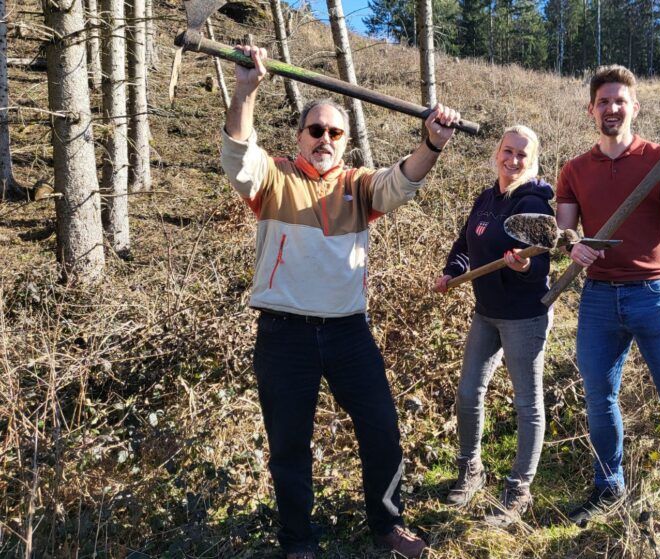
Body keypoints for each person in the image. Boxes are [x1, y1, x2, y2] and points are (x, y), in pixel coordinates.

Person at [220, 44, 460, 559]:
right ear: (299, 136)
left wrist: (432, 143)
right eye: (316, 130)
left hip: (349, 332)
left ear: (346, 142)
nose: (324, 139)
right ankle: (298, 542)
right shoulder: (273, 176)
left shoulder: (359, 185)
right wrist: (245, 92)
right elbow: (238, 156)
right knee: (289, 445)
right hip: (284, 333)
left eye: (334, 133)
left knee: (382, 430)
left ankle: (388, 526)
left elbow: (402, 182)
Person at [555, 65, 660, 558]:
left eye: (620, 101)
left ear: (634, 108)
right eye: (603, 101)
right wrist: (572, 245)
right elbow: (564, 230)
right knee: (599, 398)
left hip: (655, 293)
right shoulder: (574, 169)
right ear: (591, 110)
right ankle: (609, 487)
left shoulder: (658, 159)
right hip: (599, 297)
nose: (612, 108)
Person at [433, 125, 553, 527]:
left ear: (532, 160)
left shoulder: (534, 202)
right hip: (485, 311)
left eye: (522, 154)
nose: (513, 160)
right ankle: (471, 469)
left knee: (527, 403)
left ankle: (519, 488)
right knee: (468, 392)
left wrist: (524, 266)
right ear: (497, 153)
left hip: (524, 316)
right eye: (508, 151)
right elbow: (465, 246)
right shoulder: (485, 200)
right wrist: (452, 272)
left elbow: (541, 265)